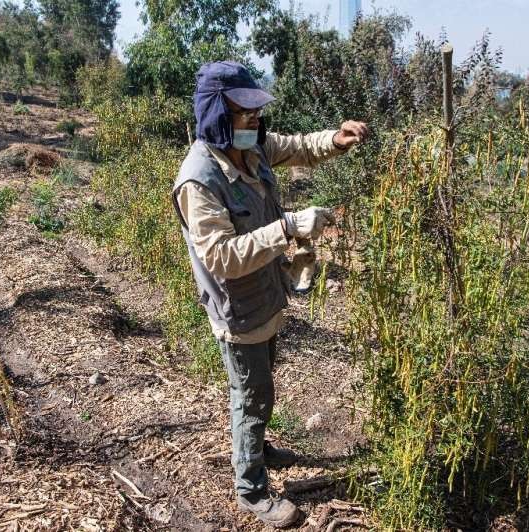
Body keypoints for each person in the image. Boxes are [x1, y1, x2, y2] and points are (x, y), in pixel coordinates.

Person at [171, 61, 368, 528]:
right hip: (237, 308)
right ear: (218, 114)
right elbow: (221, 256)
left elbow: (296, 146)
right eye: (245, 114)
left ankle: (257, 448)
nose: (255, 122)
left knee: (261, 385)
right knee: (250, 394)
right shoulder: (199, 180)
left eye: (257, 113)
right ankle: (251, 488)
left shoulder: (250, 148)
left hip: (266, 294)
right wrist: (288, 227)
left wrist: (334, 141)